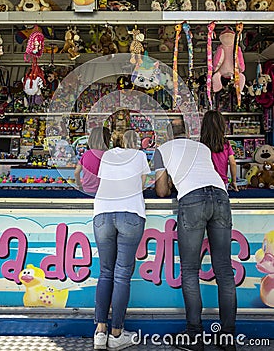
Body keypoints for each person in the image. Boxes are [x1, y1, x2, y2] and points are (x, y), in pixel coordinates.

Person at [154, 117, 237, 351]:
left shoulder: (162, 149)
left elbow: (161, 191)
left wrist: (169, 181)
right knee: (224, 270)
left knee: (190, 270)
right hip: (221, 197)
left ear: (166, 134)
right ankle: (228, 337)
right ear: (187, 132)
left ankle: (194, 336)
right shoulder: (200, 147)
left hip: (192, 200)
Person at [93, 129, 150, 350]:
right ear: (134, 142)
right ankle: (116, 334)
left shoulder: (106, 156)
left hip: (103, 213)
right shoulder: (140, 155)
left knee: (105, 272)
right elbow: (143, 183)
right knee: (122, 275)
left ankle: (100, 332)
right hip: (130, 212)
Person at [200, 110, 239, 191]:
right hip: (221, 182)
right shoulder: (226, 143)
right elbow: (233, 163)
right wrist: (234, 181)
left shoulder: (201, 145)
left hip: (205, 182)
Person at [74, 126, 111, 195]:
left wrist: (79, 185)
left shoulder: (86, 154)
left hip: (87, 190)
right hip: (103, 192)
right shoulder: (108, 155)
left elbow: (76, 172)